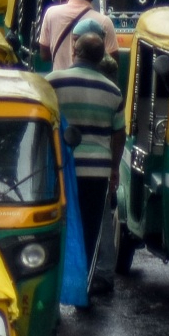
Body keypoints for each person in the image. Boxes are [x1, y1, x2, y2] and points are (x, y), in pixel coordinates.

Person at [46, 30, 124, 263]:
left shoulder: (52, 82)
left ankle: (61, 282)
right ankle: (84, 288)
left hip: (62, 168)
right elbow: (119, 134)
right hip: (97, 172)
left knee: (59, 225)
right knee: (90, 230)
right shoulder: (113, 91)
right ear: (100, 58)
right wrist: (114, 169)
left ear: (74, 52)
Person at [36, 0, 117, 71]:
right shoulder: (104, 22)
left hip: (60, 84)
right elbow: (113, 63)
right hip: (91, 86)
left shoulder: (51, 13)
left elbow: (44, 55)